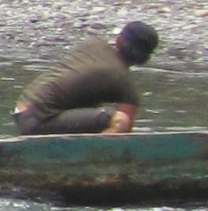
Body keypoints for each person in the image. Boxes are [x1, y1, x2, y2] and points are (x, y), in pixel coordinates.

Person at [12, 22, 160, 135]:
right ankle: (95, 161)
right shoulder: (124, 83)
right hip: (37, 120)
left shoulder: (92, 43)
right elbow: (126, 132)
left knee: (97, 113)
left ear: (119, 40)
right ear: (145, 58)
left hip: (22, 110)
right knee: (120, 120)